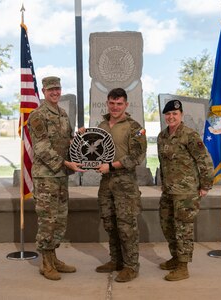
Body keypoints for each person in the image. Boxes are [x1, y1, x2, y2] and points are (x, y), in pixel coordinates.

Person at [27, 76, 85, 281]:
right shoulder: (37, 115)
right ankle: (45, 262)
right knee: (47, 221)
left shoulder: (62, 114)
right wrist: (66, 163)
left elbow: (68, 141)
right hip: (46, 177)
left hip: (60, 176)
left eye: (57, 89)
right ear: (43, 91)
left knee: (59, 220)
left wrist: (80, 138)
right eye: (51, 89)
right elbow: (41, 147)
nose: (55, 93)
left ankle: (54, 258)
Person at [88, 88, 147, 282]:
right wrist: (82, 138)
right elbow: (94, 150)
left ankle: (131, 266)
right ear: (107, 103)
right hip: (106, 184)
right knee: (110, 224)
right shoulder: (102, 125)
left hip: (125, 184)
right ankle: (116, 261)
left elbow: (137, 156)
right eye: (112, 103)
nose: (115, 107)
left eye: (119, 103)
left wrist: (111, 167)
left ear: (126, 105)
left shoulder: (134, 127)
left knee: (126, 226)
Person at [157, 99, 214, 281]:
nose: (171, 117)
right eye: (168, 114)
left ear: (181, 115)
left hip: (186, 192)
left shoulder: (190, 135)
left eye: (175, 114)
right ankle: (175, 258)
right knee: (167, 226)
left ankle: (183, 266)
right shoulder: (162, 136)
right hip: (168, 191)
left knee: (183, 228)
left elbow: (204, 160)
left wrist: (205, 185)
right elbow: (163, 163)